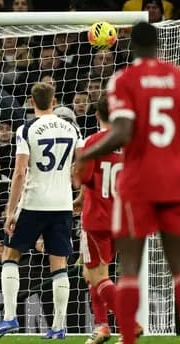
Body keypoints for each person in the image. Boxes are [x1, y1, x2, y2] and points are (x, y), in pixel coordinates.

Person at [76, 22, 180, 344]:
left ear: (131, 48)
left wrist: (86, 156)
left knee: (127, 270)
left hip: (137, 189)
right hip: (173, 182)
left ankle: (127, 337)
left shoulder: (124, 80)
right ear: (159, 44)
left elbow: (123, 132)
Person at [0, 82, 80, 339]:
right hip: (62, 204)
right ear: (55, 100)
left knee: (10, 255)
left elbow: (19, 172)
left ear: (31, 101)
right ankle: (59, 326)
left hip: (33, 203)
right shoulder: (72, 128)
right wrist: (78, 193)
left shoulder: (27, 128)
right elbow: (81, 167)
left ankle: (9, 317)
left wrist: (10, 211)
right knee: (58, 264)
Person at [72, 96, 127, 344]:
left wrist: (78, 195)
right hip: (122, 218)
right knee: (90, 272)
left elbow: (83, 176)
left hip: (96, 219)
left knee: (98, 276)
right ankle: (102, 326)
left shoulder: (92, 142)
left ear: (97, 115)